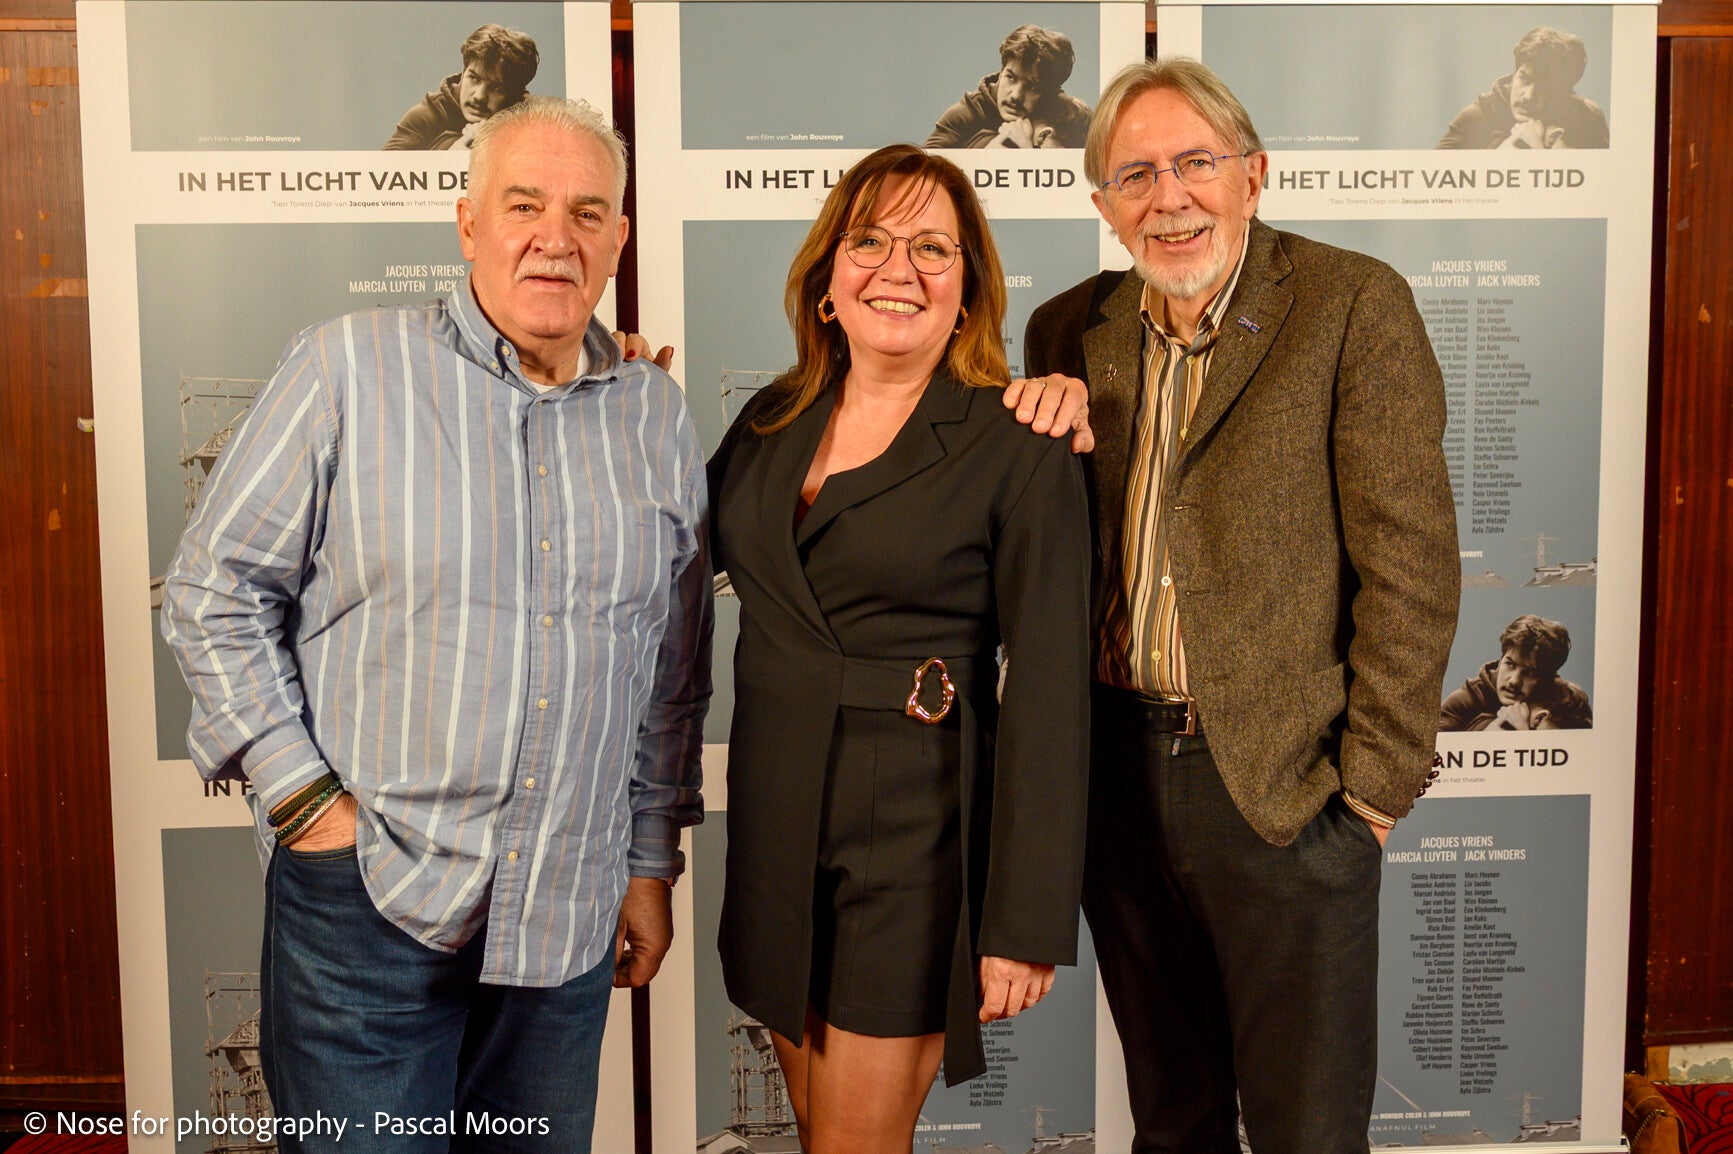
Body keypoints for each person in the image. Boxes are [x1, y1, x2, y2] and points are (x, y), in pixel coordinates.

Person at [160, 97, 711, 1153]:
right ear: (467, 223)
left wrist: (648, 862)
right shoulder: (346, 368)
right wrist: (305, 801)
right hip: (366, 906)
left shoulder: (654, 415)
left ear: (618, 239)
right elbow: (214, 588)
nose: (555, 237)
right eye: (523, 205)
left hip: (564, 926)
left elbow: (668, 676)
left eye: (587, 212)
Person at [1022, 58, 1460, 1152]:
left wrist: (1367, 796)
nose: (1167, 197)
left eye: (1194, 163)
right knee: (1171, 1122)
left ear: (1253, 174)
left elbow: (1409, 564)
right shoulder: (1065, 328)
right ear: (1103, 203)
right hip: (1115, 786)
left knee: (1306, 1131)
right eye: (1135, 174)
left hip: (1284, 788)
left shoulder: (1351, 303)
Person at [708, 144, 1091, 1154]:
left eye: (932, 248)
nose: (898, 269)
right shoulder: (766, 420)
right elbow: (664, 557)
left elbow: (1051, 690)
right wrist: (603, 392)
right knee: (815, 1136)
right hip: (775, 831)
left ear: (966, 291)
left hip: (917, 840)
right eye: (869, 241)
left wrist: (1022, 918)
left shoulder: (1019, 441)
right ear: (826, 278)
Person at [925, 24, 1094, 150]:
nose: (1016, 95)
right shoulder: (964, 115)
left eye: (1033, 87)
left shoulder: (1064, 116)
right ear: (1001, 71)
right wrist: (983, 158)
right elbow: (922, 172)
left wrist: (1027, 150)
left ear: (1047, 93)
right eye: (1011, 78)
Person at [1437, 26, 1608, 150]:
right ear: (1515, 73)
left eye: (1544, 89)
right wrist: (1496, 158)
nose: (1528, 96)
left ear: (1560, 92)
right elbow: (1432, 176)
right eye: (1524, 79)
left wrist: (1538, 150)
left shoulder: (1586, 119)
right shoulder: (1477, 116)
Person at [385, 23, 540, 150]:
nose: (479, 96)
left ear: (514, 94)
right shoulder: (427, 115)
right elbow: (381, 173)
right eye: (474, 78)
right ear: (463, 72)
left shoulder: (532, 119)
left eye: (496, 88)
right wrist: (452, 156)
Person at [1440, 613, 1593, 730]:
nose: (1514, 681)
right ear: (1501, 659)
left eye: (1530, 673)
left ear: (1546, 678)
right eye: (1510, 664)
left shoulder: (1563, 701)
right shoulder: (1462, 703)